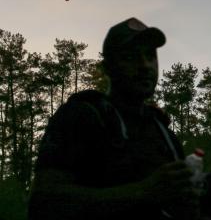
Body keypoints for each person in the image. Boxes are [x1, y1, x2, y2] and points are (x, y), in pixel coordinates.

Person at [28, 17, 196, 220]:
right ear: (107, 68)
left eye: (150, 56)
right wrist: (142, 191)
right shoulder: (83, 116)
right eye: (131, 57)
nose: (145, 65)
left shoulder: (163, 131)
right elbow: (44, 202)